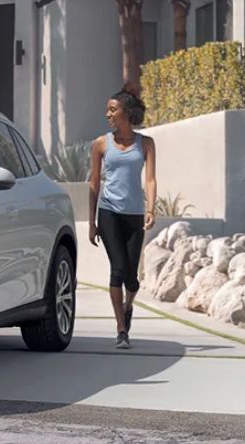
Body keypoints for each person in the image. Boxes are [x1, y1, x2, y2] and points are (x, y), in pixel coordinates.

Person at [88, 90, 157, 349]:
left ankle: (129, 305)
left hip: (134, 215)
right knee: (116, 270)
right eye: (107, 109)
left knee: (131, 277)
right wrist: (93, 221)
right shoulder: (101, 144)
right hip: (109, 213)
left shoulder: (146, 143)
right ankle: (121, 329)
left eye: (113, 109)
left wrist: (151, 209)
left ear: (126, 112)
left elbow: (150, 179)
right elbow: (94, 182)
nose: (108, 114)